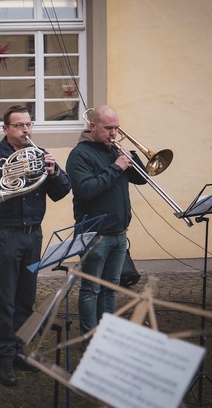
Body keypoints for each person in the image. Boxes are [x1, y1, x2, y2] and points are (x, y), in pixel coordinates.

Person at [0, 105, 72, 386]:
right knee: (5, 298)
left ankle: (18, 350)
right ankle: (3, 356)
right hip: (5, 235)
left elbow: (63, 191)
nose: (26, 130)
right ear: (6, 129)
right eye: (19, 126)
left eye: (29, 125)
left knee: (26, 298)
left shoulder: (40, 156)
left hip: (33, 235)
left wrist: (52, 172)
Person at [65, 105, 147, 339]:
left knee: (111, 288)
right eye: (108, 128)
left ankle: (106, 335)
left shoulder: (114, 150)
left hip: (119, 233)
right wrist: (116, 167)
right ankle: (89, 336)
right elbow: (86, 190)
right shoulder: (80, 155)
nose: (114, 133)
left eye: (117, 128)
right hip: (94, 234)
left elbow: (142, 180)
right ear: (93, 127)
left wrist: (133, 158)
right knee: (91, 289)